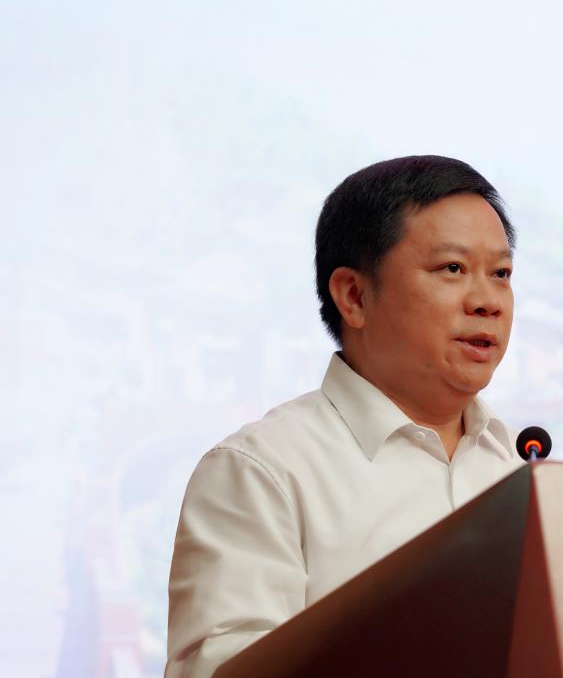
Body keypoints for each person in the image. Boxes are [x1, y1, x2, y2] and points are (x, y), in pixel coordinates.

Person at [165, 155, 521, 678]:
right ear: (354, 296)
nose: (488, 301)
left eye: (501, 274)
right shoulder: (261, 472)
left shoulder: (516, 466)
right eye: (452, 269)